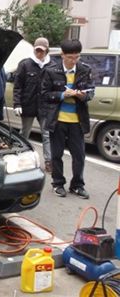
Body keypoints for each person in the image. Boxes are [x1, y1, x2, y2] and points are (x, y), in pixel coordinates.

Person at [41, 39, 95, 199]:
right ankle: (58, 184)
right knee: (56, 154)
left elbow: (91, 93)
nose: (74, 61)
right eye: (70, 57)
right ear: (62, 55)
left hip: (78, 121)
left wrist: (82, 95)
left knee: (79, 155)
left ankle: (77, 185)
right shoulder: (51, 71)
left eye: (77, 57)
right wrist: (62, 95)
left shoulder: (85, 69)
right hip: (57, 120)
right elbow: (44, 95)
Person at [13, 37, 55, 173]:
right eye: (37, 50)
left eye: (42, 51)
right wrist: (17, 104)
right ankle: (21, 157)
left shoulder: (52, 65)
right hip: (28, 104)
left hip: (44, 106)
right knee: (25, 132)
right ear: (34, 49)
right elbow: (18, 86)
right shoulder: (25, 64)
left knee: (47, 134)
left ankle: (49, 161)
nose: (39, 53)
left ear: (47, 50)